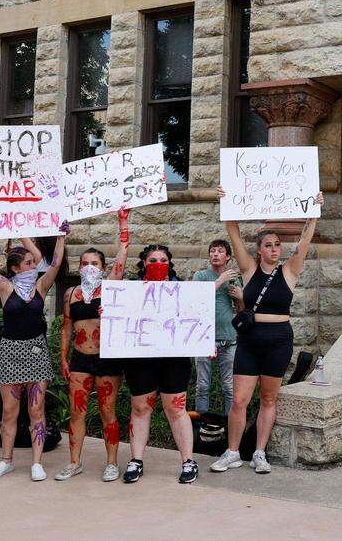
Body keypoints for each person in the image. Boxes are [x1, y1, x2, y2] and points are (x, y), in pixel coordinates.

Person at [209, 190, 324, 475]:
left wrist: (314, 212)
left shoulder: (290, 271)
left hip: (278, 341)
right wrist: (227, 200)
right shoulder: (248, 269)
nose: (275, 249)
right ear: (259, 249)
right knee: (239, 399)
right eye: (269, 245)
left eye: (277, 244)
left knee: (269, 398)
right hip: (250, 340)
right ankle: (232, 451)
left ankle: (259, 453)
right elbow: (233, 231)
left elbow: (304, 242)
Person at [0, 219, 67, 482]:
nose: (33, 266)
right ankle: (6, 460)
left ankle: (37, 462)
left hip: (36, 351)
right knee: (9, 411)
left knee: (36, 410)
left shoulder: (41, 286)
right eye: (28, 263)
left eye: (33, 263)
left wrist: (61, 236)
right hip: (10, 351)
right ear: (16, 268)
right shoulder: (6, 288)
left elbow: (55, 264)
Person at [56, 209, 130, 482]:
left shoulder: (111, 287)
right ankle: (74, 462)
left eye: (95, 263)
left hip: (107, 359)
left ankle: (112, 462)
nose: (89, 267)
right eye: (84, 262)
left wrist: (122, 222)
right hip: (80, 359)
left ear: (102, 267)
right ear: (79, 267)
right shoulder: (70, 294)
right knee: (77, 412)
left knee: (107, 411)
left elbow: (123, 253)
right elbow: (66, 327)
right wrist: (63, 359)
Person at [120, 244, 199, 485]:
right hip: (140, 357)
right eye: (152, 260)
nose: (157, 263)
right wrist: (109, 310)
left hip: (174, 357)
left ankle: (188, 461)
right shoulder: (129, 291)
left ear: (170, 263)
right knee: (141, 408)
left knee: (176, 408)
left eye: (162, 259)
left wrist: (204, 342)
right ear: (143, 263)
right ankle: (136, 460)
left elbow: (197, 317)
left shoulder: (182, 290)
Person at [192, 239, 243, 415]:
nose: (215, 254)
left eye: (220, 251)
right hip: (204, 338)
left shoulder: (233, 279)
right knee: (202, 385)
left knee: (229, 387)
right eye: (212, 251)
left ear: (228, 256)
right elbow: (196, 299)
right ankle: (201, 426)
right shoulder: (201, 276)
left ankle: (231, 427)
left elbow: (240, 310)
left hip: (229, 338)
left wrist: (241, 298)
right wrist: (221, 280)